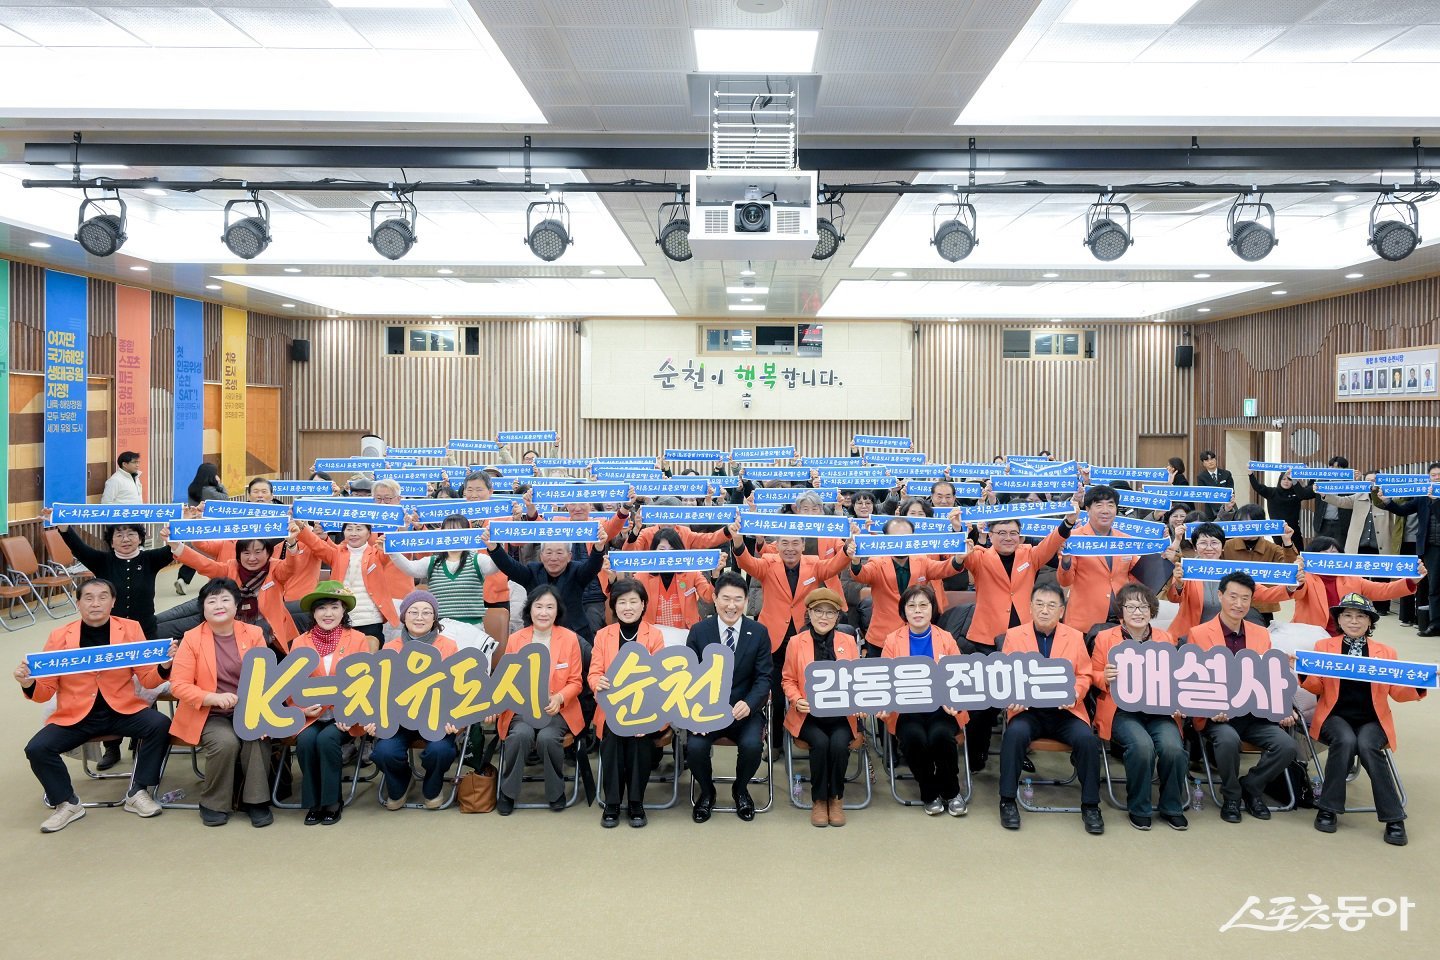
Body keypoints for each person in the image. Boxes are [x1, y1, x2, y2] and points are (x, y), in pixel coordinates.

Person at [16, 579, 171, 832]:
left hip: (121, 709)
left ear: (113, 602)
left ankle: (139, 791)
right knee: (37, 748)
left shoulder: (130, 629)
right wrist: (28, 683)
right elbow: (45, 693)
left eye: (102, 597)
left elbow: (147, 678)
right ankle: (67, 803)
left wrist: (164, 667)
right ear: (78, 603)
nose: (95, 603)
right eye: (88, 598)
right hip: (76, 714)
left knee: (160, 724)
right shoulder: (59, 636)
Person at [954, 505, 1074, 771]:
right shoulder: (980, 556)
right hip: (985, 639)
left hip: (1023, 641)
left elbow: (1052, 542)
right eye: (1002, 532)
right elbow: (962, 554)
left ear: (1021, 536)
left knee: (1024, 700)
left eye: (1013, 533)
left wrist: (1067, 522)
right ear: (990, 534)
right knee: (983, 703)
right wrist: (958, 528)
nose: (1008, 537)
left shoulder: (1029, 554)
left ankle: (1020, 749)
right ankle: (977, 754)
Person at [1301, 594, 1424, 846]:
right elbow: (1317, 688)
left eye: (1360, 616)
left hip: (1372, 719)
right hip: (1334, 716)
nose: (1353, 621)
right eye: (1347, 615)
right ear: (1339, 619)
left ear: (1370, 621)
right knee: (1345, 741)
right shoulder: (1324, 648)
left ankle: (1394, 818)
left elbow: (1397, 692)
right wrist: (1305, 671)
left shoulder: (1386, 653)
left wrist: (1419, 683)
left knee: (1367, 745)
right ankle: (1328, 808)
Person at [1186, 572, 1299, 824]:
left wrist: (1284, 706)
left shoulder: (1260, 633)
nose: (1239, 604)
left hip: (1254, 712)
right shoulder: (1199, 633)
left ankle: (1252, 786)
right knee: (1228, 740)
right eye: (1233, 597)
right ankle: (1232, 796)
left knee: (1287, 746)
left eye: (1245, 599)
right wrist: (1209, 707)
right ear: (1220, 596)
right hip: (1219, 714)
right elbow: (1192, 680)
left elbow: (1270, 675)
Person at [996, 582, 1104, 835]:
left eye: (1051, 605)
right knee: (1014, 735)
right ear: (1030, 607)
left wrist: (1076, 694)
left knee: (1087, 741)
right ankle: (1007, 800)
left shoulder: (1075, 636)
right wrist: (1013, 696)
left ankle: (1091, 805)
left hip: (1065, 711)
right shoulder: (1014, 635)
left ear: (1061, 610)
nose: (1045, 610)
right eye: (1040, 604)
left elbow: (1084, 675)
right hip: (1028, 711)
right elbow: (1006, 674)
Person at [731, 522, 852, 745]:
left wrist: (847, 550)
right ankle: (776, 743)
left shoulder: (814, 564)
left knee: (806, 695)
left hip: (807, 640)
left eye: (796, 542)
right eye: (784, 543)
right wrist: (738, 540)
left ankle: (809, 734)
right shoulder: (768, 564)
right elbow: (746, 562)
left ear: (803, 545)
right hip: (774, 642)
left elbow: (834, 566)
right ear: (776, 546)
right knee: (776, 699)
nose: (790, 548)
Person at [168, 578, 275, 827]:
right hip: (208, 712)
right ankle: (213, 802)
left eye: (225, 599)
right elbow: (179, 685)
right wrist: (212, 697)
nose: (219, 605)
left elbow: (267, 676)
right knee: (225, 743)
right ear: (203, 608)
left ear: (237, 605)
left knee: (256, 738)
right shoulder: (191, 638)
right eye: (212, 600)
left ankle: (256, 802)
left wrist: (262, 712)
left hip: (249, 708)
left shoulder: (254, 633)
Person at [1091, 584, 1187, 831]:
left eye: (1143, 606)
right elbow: (1093, 674)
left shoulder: (1165, 639)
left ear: (1152, 610)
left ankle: (1171, 806)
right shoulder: (1105, 638)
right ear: (1121, 611)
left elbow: (1175, 678)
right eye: (1131, 606)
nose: (1138, 612)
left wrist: (1178, 702)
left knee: (1173, 747)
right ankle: (1140, 807)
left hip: (1159, 711)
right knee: (1142, 747)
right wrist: (1105, 677)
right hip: (1121, 711)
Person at [685, 572, 772, 823]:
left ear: (746, 601)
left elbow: (764, 677)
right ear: (714, 598)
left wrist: (751, 703)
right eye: (725, 598)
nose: (731, 606)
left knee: (753, 746)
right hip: (707, 710)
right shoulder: (700, 631)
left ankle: (741, 789)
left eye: (737, 599)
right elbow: (690, 676)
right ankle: (707, 792)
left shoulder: (758, 632)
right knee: (695, 747)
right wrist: (696, 713)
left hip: (745, 710)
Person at [877, 585, 968, 817]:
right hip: (906, 710)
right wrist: (884, 705)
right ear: (904, 611)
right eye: (911, 606)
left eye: (923, 605)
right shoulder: (892, 640)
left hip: (942, 708)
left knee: (940, 737)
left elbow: (959, 678)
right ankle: (929, 791)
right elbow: (883, 681)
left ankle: (951, 791)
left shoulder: (946, 638)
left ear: (932, 609)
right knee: (914, 738)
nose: (917, 611)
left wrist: (953, 701)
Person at [495, 585, 585, 814]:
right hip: (522, 708)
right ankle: (507, 792)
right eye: (539, 606)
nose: (543, 612)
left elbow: (576, 681)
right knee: (520, 735)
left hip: (557, 709)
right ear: (530, 610)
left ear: (557, 611)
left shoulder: (570, 639)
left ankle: (556, 792)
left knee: (547, 738)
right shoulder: (516, 639)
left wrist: (560, 697)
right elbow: (506, 678)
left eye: (549, 607)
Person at [288, 581, 372, 824]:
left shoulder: (356, 639)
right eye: (322, 608)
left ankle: (332, 801)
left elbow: (365, 682)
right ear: (313, 613)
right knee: (305, 741)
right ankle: (314, 802)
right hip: (310, 714)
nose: (328, 613)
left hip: (344, 716)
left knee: (326, 740)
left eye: (334, 607)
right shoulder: (300, 642)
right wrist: (301, 709)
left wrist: (351, 712)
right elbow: (291, 684)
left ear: (343, 611)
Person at [374, 590, 462, 813]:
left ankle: (433, 786)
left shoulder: (449, 646)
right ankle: (402, 780)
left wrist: (455, 718)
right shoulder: (390, 648)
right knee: (384, 751)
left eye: (426, 612)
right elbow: (380, 690)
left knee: (440, 750)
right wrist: (375, 718)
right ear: (404, 616)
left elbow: (457, 689)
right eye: (413, 612)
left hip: (436, 716)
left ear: (434, 618)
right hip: (399, 718)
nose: (420, 617)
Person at [589, 578, 666, 828]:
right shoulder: (603, 635)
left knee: (639, 739)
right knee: (611, 737)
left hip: (645, 708)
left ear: (643, 605)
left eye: (634, 601)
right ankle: (612, 803)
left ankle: (636, 802)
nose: (628, 607)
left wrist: (645, 712)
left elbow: (660, 679)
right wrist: (597, 682)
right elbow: (594, 673)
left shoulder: (654, 635)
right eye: (622, 602)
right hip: (611, 708)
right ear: (614, 606)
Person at [782, 589, 861, 827]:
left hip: (841, 715)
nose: (824, 617)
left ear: (838, 617)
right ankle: (819, 800)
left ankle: (835, 798)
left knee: (838, 744)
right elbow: (787, 679)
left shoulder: (847, 642)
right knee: (821, 743)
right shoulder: (796, 642)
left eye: (830, 612)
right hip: (808, 716)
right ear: (809, 613)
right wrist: (796, 699)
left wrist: (860, 703)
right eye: (818, 611)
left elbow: (858, 678)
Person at [44, 510, 173, 640]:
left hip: (146, 630)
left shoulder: (150, 559)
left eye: (131, 534)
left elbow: (175, 548)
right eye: (119, 535)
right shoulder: (101, 561)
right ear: (111, 542)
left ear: (140, 539)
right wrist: (61, 523)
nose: (125, 539)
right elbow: (78, 547)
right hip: (110, 632)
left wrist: (185, 522)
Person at [483, 523, 611, 643]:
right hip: (537, 635)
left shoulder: (577, 571)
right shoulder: (532, 572)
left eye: (559, 553)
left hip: (575, 636)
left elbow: (592, 567)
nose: (553, 558)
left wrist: (599, 548)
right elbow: (510, 566)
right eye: (549, 553)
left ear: (569, 556)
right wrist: (494, 548)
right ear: (541, 555)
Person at [850, 517, 961, 655]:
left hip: (916, 633)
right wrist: (855, 562)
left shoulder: (921, 560)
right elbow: (862, 575)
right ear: (885, 539)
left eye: (906, 537)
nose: (901, 542)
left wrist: (959, 559)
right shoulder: (877, 562)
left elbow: (944, 568)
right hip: (882, 636)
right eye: (896, 538)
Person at [168, 535, 300, 648]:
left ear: (268, 553)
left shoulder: (275, 568)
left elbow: (291, 567)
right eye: (246, 553)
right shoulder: (231, 567)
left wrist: (292, 544)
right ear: (239, 554)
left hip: (272, 635)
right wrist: (176, 546)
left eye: (258, 552)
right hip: (233, 631)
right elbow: (205, 564)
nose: (252, 558)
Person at [1165, 521, 1292, 638]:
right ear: (1195, 547)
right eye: (1203, 543)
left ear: (1223, 546)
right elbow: (1174, 598)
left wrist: (1291, 587)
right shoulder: (1187, 568)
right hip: (1188, 635)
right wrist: (1180, 584)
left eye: (1214, 543)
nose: (1209, 548)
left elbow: (1264, 593)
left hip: (1225, 635)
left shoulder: (1233, 570)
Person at [295, 520, 405, 647]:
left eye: (359, 529)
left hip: (370, 618)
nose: (353, 533)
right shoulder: (336, 553)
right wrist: (301, 526)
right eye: (349, 529)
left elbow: (394, 548)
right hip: (342, 618)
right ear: (344, 533)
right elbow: (315, 544)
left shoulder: (377, 552)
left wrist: (401, 530)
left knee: (370, 661)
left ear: (369, 533)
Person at [386, 514, 499, 636]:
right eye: (448, 530)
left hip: (472, 628)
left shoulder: (477, 560)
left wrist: (496, 545)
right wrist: (391, 549)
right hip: (441, 628)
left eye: (459, 530)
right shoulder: (432, 562)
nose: (453, 535)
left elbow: (495, 566)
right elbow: (409, 568)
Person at [1284, 536, 1425, 634]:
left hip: (1344, 635)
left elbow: (1383, 590)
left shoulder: (1353, 579)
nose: (1330, 556)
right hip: (1309, 635)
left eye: (1334, 552)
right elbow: (1297, 592)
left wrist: (1411, 581)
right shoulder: (1305, 578)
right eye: (1324, 552)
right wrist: (1297, 578)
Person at [1056, 485, 1140, 633]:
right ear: (1087, 509)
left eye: (1110, 505)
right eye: (1099, 505)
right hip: (1084, 624)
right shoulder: (1074, 538)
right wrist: (1066, 559)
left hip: (1122, 622)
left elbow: (1137, 578)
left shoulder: (1126, 540)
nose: (1105, 510)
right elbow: (1065, 581)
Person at [1376, 462, 1440, 636]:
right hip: (1431, 548)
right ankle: (1435, 624)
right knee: (1434, 588)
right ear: (1428, 478)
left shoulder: (1433, 498)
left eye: (1439, 475)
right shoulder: (1422, 496)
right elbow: (1403, 510)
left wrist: (1436, 502)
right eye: (1433, 475)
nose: (1436, 478)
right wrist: (1387, 501)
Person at [624, 527, 715, 629]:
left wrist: (715, 575)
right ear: (653, 550)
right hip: (653, 634)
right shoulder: (642, 575)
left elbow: (709, 597)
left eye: (672, 549)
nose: (667, 554)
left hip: (685, 633)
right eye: (662, 549)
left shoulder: (691, 572)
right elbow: (626, 597)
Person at [176, 462, 228, 595]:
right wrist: (220, 484)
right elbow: (225, 498)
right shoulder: (209, 490)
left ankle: (183, 579)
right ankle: (217, 581)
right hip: (208, 527)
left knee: (195, 553)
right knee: (212, 556)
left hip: (195, 525)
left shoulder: (193, 487)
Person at [1247, 470, 1315, 550]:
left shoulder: (1297, 493)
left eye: (1289, 479)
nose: (1286, 481)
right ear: (1280, 480)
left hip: (1294, 531)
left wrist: (1313, 475)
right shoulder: (1272, 492)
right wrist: (1251, 474)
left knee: (1298, 555)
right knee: (1281, 555)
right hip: (1277, 530)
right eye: (1284, 479)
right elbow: (1257, 487)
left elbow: (1307, 490)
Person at [1315, 455, 1353, 542]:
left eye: (1338, 467)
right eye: (1332, 466)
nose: (1334, 470)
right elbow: (1304, 494)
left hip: (1341, 525)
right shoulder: (1321, 483)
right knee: (1320, 550)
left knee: (1339, 550)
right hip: (1323, 524)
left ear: (1345, 470)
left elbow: (1354, 500)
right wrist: (1294, 480)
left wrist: (1354, 481)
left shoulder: (1350, 484)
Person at [1195, 451, 1234, 521]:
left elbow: (1231, 491)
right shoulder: (1201, 477)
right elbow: (1205, 495)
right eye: (1207, 460)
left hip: (1228, 507)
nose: (1210, 462)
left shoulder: (1226, 474)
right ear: (1203, 463)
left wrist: (1225, 508)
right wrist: (1220, 509)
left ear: (1215, 460)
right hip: (1211, 510)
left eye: (1212, 459)